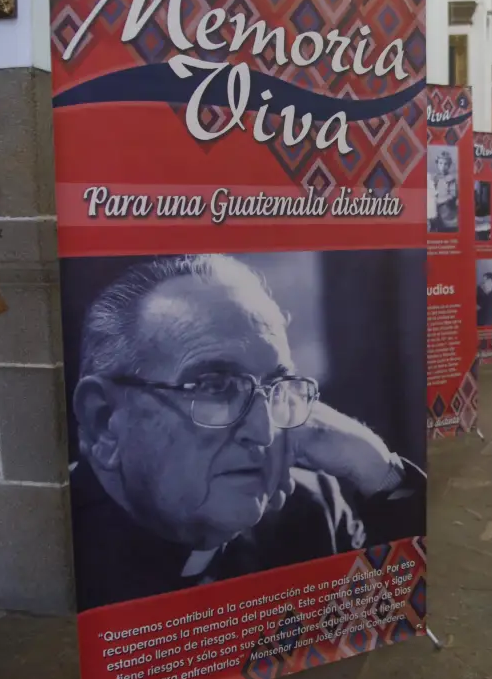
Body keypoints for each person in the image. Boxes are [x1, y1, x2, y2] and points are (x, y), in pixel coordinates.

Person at [69, 255, 426, 611]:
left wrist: (377, 470)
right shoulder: (52, 547)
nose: (263, 431)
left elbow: (399, 615)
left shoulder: (310, 511)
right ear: (104, 420)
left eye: (276, 388)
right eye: (214, 387)